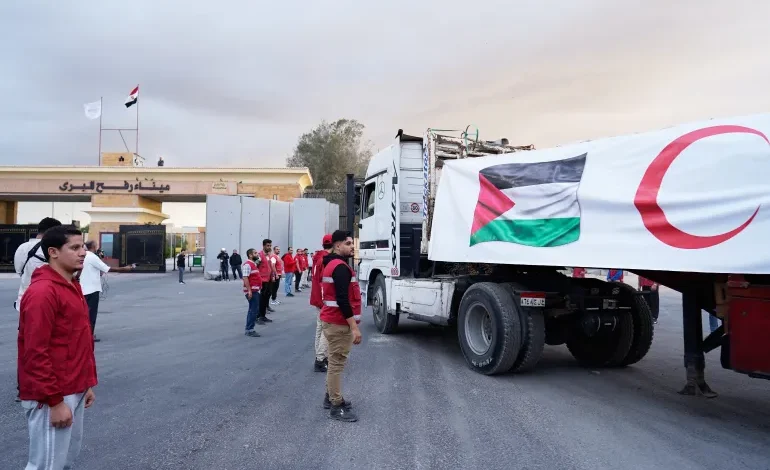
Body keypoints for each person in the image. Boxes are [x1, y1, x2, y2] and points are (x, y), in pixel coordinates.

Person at [18, 225, 97, 469]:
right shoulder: (43, 292)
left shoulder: (72, 285)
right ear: (53, 252)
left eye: (82, 246)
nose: (83, 252)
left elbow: (78, 340)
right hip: (52, 395)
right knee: (46, 465)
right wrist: (54, 401)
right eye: (74, 248)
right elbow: (35, 352)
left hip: (73, 387)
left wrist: (86, 384)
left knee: (64, 462)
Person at [13, 217, 62, 402]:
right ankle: (48, 386)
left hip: (23, 301)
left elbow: (19, 271)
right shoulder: (53, 249)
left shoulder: (21, 248)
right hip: (47, 302)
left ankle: (23, 387)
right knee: (47, 345)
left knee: (27, 344)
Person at [320, 230, 362, 422]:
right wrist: (354, 327)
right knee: (336, 364)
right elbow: (343, 300)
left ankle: (330, 397)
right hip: (338, 322)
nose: (352, 247)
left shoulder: (332, 264)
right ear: (337, 245)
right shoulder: (340, 268)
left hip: (332, 320)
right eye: (348, 243)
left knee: (333, 362)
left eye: (352, 243)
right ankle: (336, 406)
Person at [79, 241, 135, 342]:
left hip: (83, 288)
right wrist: (124, 268)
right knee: (91, 314)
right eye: (97, 245)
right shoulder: (92, 257)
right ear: (94, 247)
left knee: (84, 313)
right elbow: (107, 269)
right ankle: (89, 335)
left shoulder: (84, 256)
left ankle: (83, 333)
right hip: (92, 289)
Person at [310, 234, 332, 372]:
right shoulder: (325, 259)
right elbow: (324, 282)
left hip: (317, 298)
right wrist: (326, 301)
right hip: (324, 300)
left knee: (320, 329)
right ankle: (320, 359)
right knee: (326, 330)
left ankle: (319, 357)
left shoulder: (318, 257)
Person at [241, 248, 262, 337]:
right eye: (255, 253)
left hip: (255, 290)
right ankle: (249, 329)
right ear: (250, 255)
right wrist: (249, 291)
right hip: (252, 291)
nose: (257, 254)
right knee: (253, 310)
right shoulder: (247, 265)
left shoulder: (253, 264)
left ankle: (249, 328)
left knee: (253, 309)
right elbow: (245, 278)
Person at [257, 239, 275, 322]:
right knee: (262, 298)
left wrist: (273, 275)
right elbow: (255, 266)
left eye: (270, 245)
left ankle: (263, 315)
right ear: (263, 246)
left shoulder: (268, 255)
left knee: (267, 297)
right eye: (268, 246)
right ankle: (259, 316)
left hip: (269, 279)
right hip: (262, 279)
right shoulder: (259, 255)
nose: (269, 247)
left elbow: (270, 266)